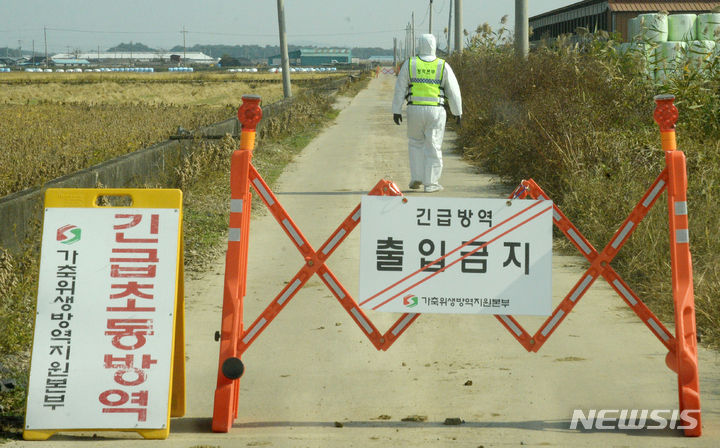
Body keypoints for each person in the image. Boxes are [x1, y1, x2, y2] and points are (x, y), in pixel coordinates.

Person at [392, 33, 462, 193]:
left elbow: (400, 88)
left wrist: (396, 110)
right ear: (434, 45)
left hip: (414, 108)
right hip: (436, 111)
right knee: (434, 146)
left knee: (415, 143)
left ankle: (417, 176)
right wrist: (458, 112)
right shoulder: (442, 65)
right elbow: (453, 91)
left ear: (419, 45)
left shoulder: (410, 64)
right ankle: (431, 184)